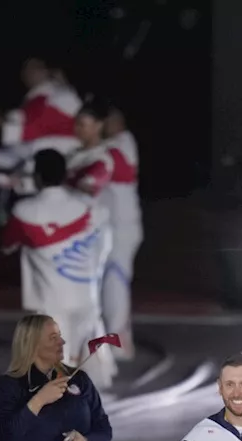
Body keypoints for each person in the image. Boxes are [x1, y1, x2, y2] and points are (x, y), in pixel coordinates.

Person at [2, 148, 117, 388]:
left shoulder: (24, 211)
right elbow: (104, 246)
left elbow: (7, 245)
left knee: (57, 373)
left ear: (37, 177)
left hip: (51, 301)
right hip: (87, 298)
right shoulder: (92, 208)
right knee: (77, 363)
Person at [0, 57, 83, 236]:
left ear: (47, 71)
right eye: (26, 68)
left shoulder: (60, 94)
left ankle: (1, 218)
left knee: (2, 179)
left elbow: (39, 127)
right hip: (23, 154)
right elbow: (16, 123)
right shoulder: (33, 99)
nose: (28, 72)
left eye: (35, 67)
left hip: (50, 159)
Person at [99, 106, 143, 361]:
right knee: (107, 286)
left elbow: (117, 166)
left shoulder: (123, 142)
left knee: (115, 284)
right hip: (107, 228)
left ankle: (119, 342)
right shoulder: (105, 148)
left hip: (122, 228)